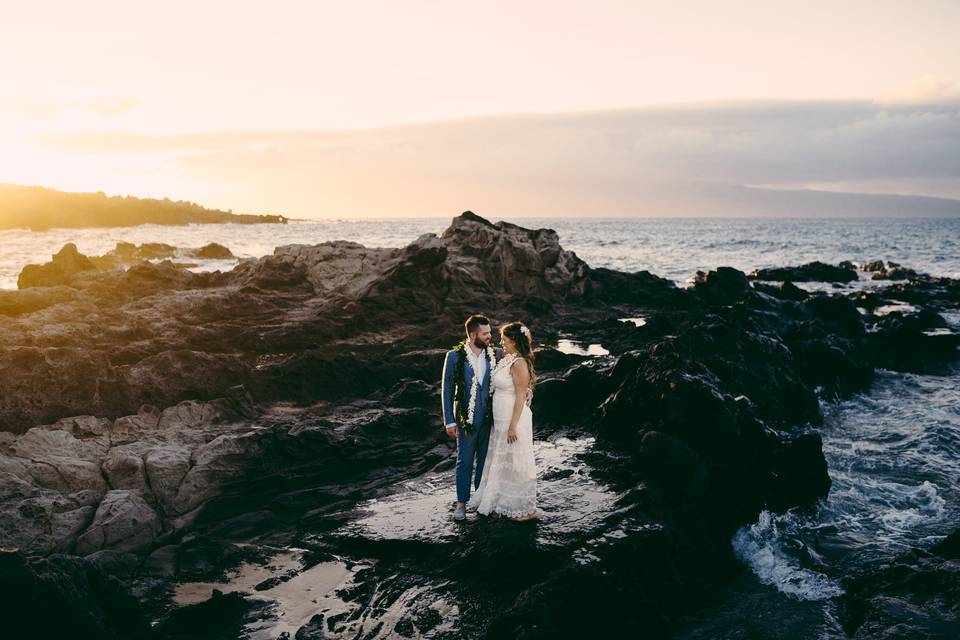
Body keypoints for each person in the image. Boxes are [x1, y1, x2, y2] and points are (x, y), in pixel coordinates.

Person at [467, 321, 539, 521]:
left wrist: (513, 426)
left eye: (505, 339)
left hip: (512, 419)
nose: (502, 342)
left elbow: (519, 395)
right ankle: (503, 502)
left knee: (515, 462)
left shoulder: (520, 362)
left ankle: (522, 508)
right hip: (500, 419)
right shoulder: (507, 358)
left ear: (515, 341)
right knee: (503, 460)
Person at [441, 314, 499, 521]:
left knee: (485, 462)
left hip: (489, 419)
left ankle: (481, 499)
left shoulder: (496, 354)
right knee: (464, 462)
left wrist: (527, 390)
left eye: (489, 333)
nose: (489, 336)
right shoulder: (454, 357)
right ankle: (461, 504)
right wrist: (449, 420)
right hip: (465, 420)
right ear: (473, 334)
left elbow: (517, 370)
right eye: (485, 333)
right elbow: (447, 390)